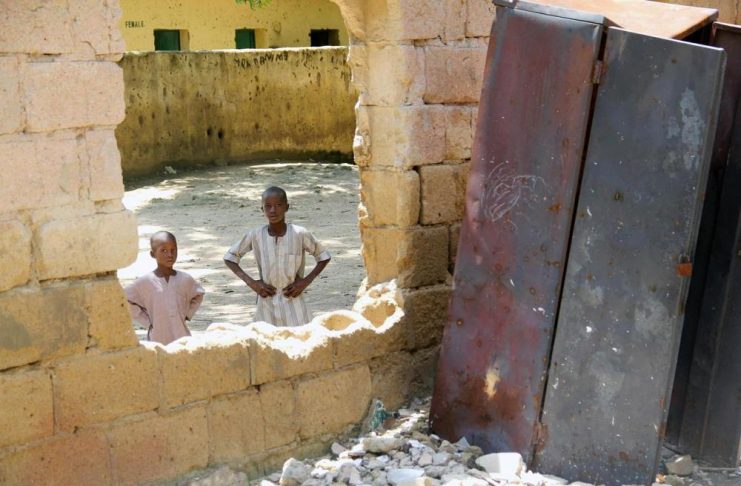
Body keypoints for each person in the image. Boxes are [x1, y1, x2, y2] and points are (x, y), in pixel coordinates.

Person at [224, 186, 331, 326]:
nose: (273, 210)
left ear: (287, 207)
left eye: (278, 205)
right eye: (268, 206)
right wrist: (253, 284)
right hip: (266, 303)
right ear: (262, 209)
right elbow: (230, 258)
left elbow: (323, 256)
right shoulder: (256, 235)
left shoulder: (299, 234)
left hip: (294, 302)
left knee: (299, 336)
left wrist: (305, 282)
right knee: (265, 337)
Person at [125, 231, 205, 345]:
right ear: (152, 254)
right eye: (164, 250)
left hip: (181, 336)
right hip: (158, 338)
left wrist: (187, 314)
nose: (170, 255)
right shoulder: (145, 282)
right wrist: (147, 321)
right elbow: (125, 299)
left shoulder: (185, 279)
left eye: (173, 250)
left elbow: (199, 294)